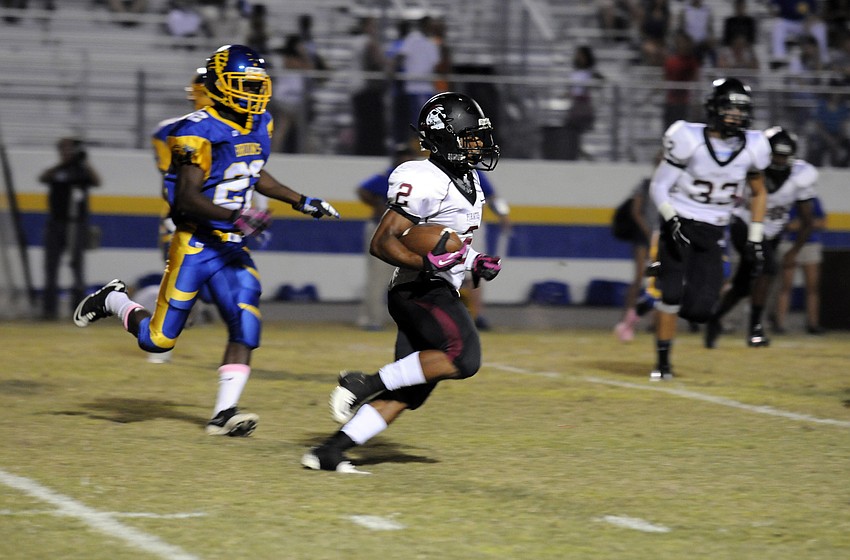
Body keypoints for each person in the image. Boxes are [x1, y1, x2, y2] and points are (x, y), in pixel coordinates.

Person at [72, 44, 340, 437]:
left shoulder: (259, 121)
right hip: (196, 243)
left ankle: (223, 414)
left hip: (231, 244)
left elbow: (253, 171)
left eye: (259, 85)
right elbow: (187, 197)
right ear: (221, 84)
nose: (255, 93)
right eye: (246, 85)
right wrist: (239, 214)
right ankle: (113, 299)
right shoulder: (194, 130)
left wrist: (301, 200)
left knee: (245, 321)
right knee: (158, 341)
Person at [301, 92, 502, 473]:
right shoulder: (423, 177)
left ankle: (328, 451)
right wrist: (425, 261)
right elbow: (383, 242)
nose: (479, 144)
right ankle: (363, 382)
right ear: (445, 137)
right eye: (470, 136)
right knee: (463, 356)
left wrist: (475, 262)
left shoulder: (467, 178)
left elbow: (453, 245)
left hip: (433, 286)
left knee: (410, 391)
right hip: (418, 289)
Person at [648, 77, 770, 380]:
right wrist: (670, 217)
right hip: (680, 223)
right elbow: (659, 184)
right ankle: (662, 364)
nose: (736, 116)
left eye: (741, 110)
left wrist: (755, 239)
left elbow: (760, 192)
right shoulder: (688, 137)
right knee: (671, 295)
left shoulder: (754, 146)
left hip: (714, 229)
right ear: (714, 108)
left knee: (700, 311)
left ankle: (670, 278)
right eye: (730, 108)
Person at [704, 126, 817, 348]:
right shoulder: (750, 165)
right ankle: (755, 328)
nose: (779, 160)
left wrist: (794, 251)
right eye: (775, 154)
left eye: (784, 155)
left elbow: (807, 220)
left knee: (743, 286)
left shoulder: (801, 176)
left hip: (772, 232)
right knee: (768, 268)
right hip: (744, 224)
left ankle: (714, 318)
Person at [355, 142, 422, 331]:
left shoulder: (421, 178)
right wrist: (377, 204)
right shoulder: (390, 175)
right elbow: (363, 190)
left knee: (412, 276)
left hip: (409, 231)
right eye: (401, 156)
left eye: (408, 155)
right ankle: (371, 319)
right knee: (378, 276)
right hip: (384, 229)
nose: (404, 159)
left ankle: (409, 318)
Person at [39, 137, 102, 321]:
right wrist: (62, 164)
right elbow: (44, 177)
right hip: (56, 223)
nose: (67, 153)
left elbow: (97, 181)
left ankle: (78, 309)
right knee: (51, 267)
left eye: (70, 149)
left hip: (77, 225)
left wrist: (84, 162)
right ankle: (49, 310)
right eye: (64, 149)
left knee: (77, 267)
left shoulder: (82, 171)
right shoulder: (56, 170)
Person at [613, 153, 661, 342]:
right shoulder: (646, 185)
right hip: (644, 236)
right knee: (639, 277)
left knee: (658, 281)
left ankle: (654, 322)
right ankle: (626, 317)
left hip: (661, 237)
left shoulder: (674, 187)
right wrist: (648, 233)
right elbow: (636, 211)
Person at [772, 195, 826, 334]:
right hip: (790, 244)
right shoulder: (787, 200)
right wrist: (807, 224)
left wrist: (802, 224)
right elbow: (787, 225)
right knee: (785, 285)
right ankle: (780, 324)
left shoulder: (813, 200)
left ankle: (813, 324)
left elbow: (821, 222)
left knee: (812, 287)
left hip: (810, 243)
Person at [393, 16, 440, 143]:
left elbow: (435, 65)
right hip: (413, 86)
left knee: (426, 120)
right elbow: (401, 56)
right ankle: (414, 145)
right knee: (415, 119)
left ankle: (422, 145)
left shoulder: (432, 43)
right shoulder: (413, 39)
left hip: (426, 86)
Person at [350, 16, 389, 156]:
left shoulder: (355, 42)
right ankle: (372, 151)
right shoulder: (368, 42)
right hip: (367, 88)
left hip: (355, 86)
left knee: (362, 123)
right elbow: (379, 61)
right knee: (371, 125)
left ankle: (361, 150)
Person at [563, 45, 602, 161]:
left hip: (584, 105)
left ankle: (583, 153)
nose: (579, 57)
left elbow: (601, 83)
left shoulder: (591, 73)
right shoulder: (575, 72)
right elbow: (572, 88)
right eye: (578, 55)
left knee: (575, 129)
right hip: (575, 104)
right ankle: (580, 153)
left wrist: (589, 88)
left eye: (581, 55)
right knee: (570, 131)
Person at [768, 0, 830, 67]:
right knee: (778, 24)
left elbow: (817, 12)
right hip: (788, 22)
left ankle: (823, 58)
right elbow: (772, 6)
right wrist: (773, 11)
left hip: (804, 23)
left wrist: (811, 20)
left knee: (820, 27)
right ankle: (779, 57)